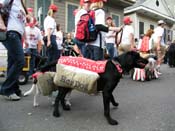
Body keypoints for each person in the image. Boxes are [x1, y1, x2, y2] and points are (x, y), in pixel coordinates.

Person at [0, 0, 28, 100]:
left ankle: (14, 89)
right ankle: (6, 89)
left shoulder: (21, 4)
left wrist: (26, 39)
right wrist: (1, 23)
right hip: (10, 32)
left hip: (18, 35)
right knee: (20, 61)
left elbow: (22, 24)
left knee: (12, 62)